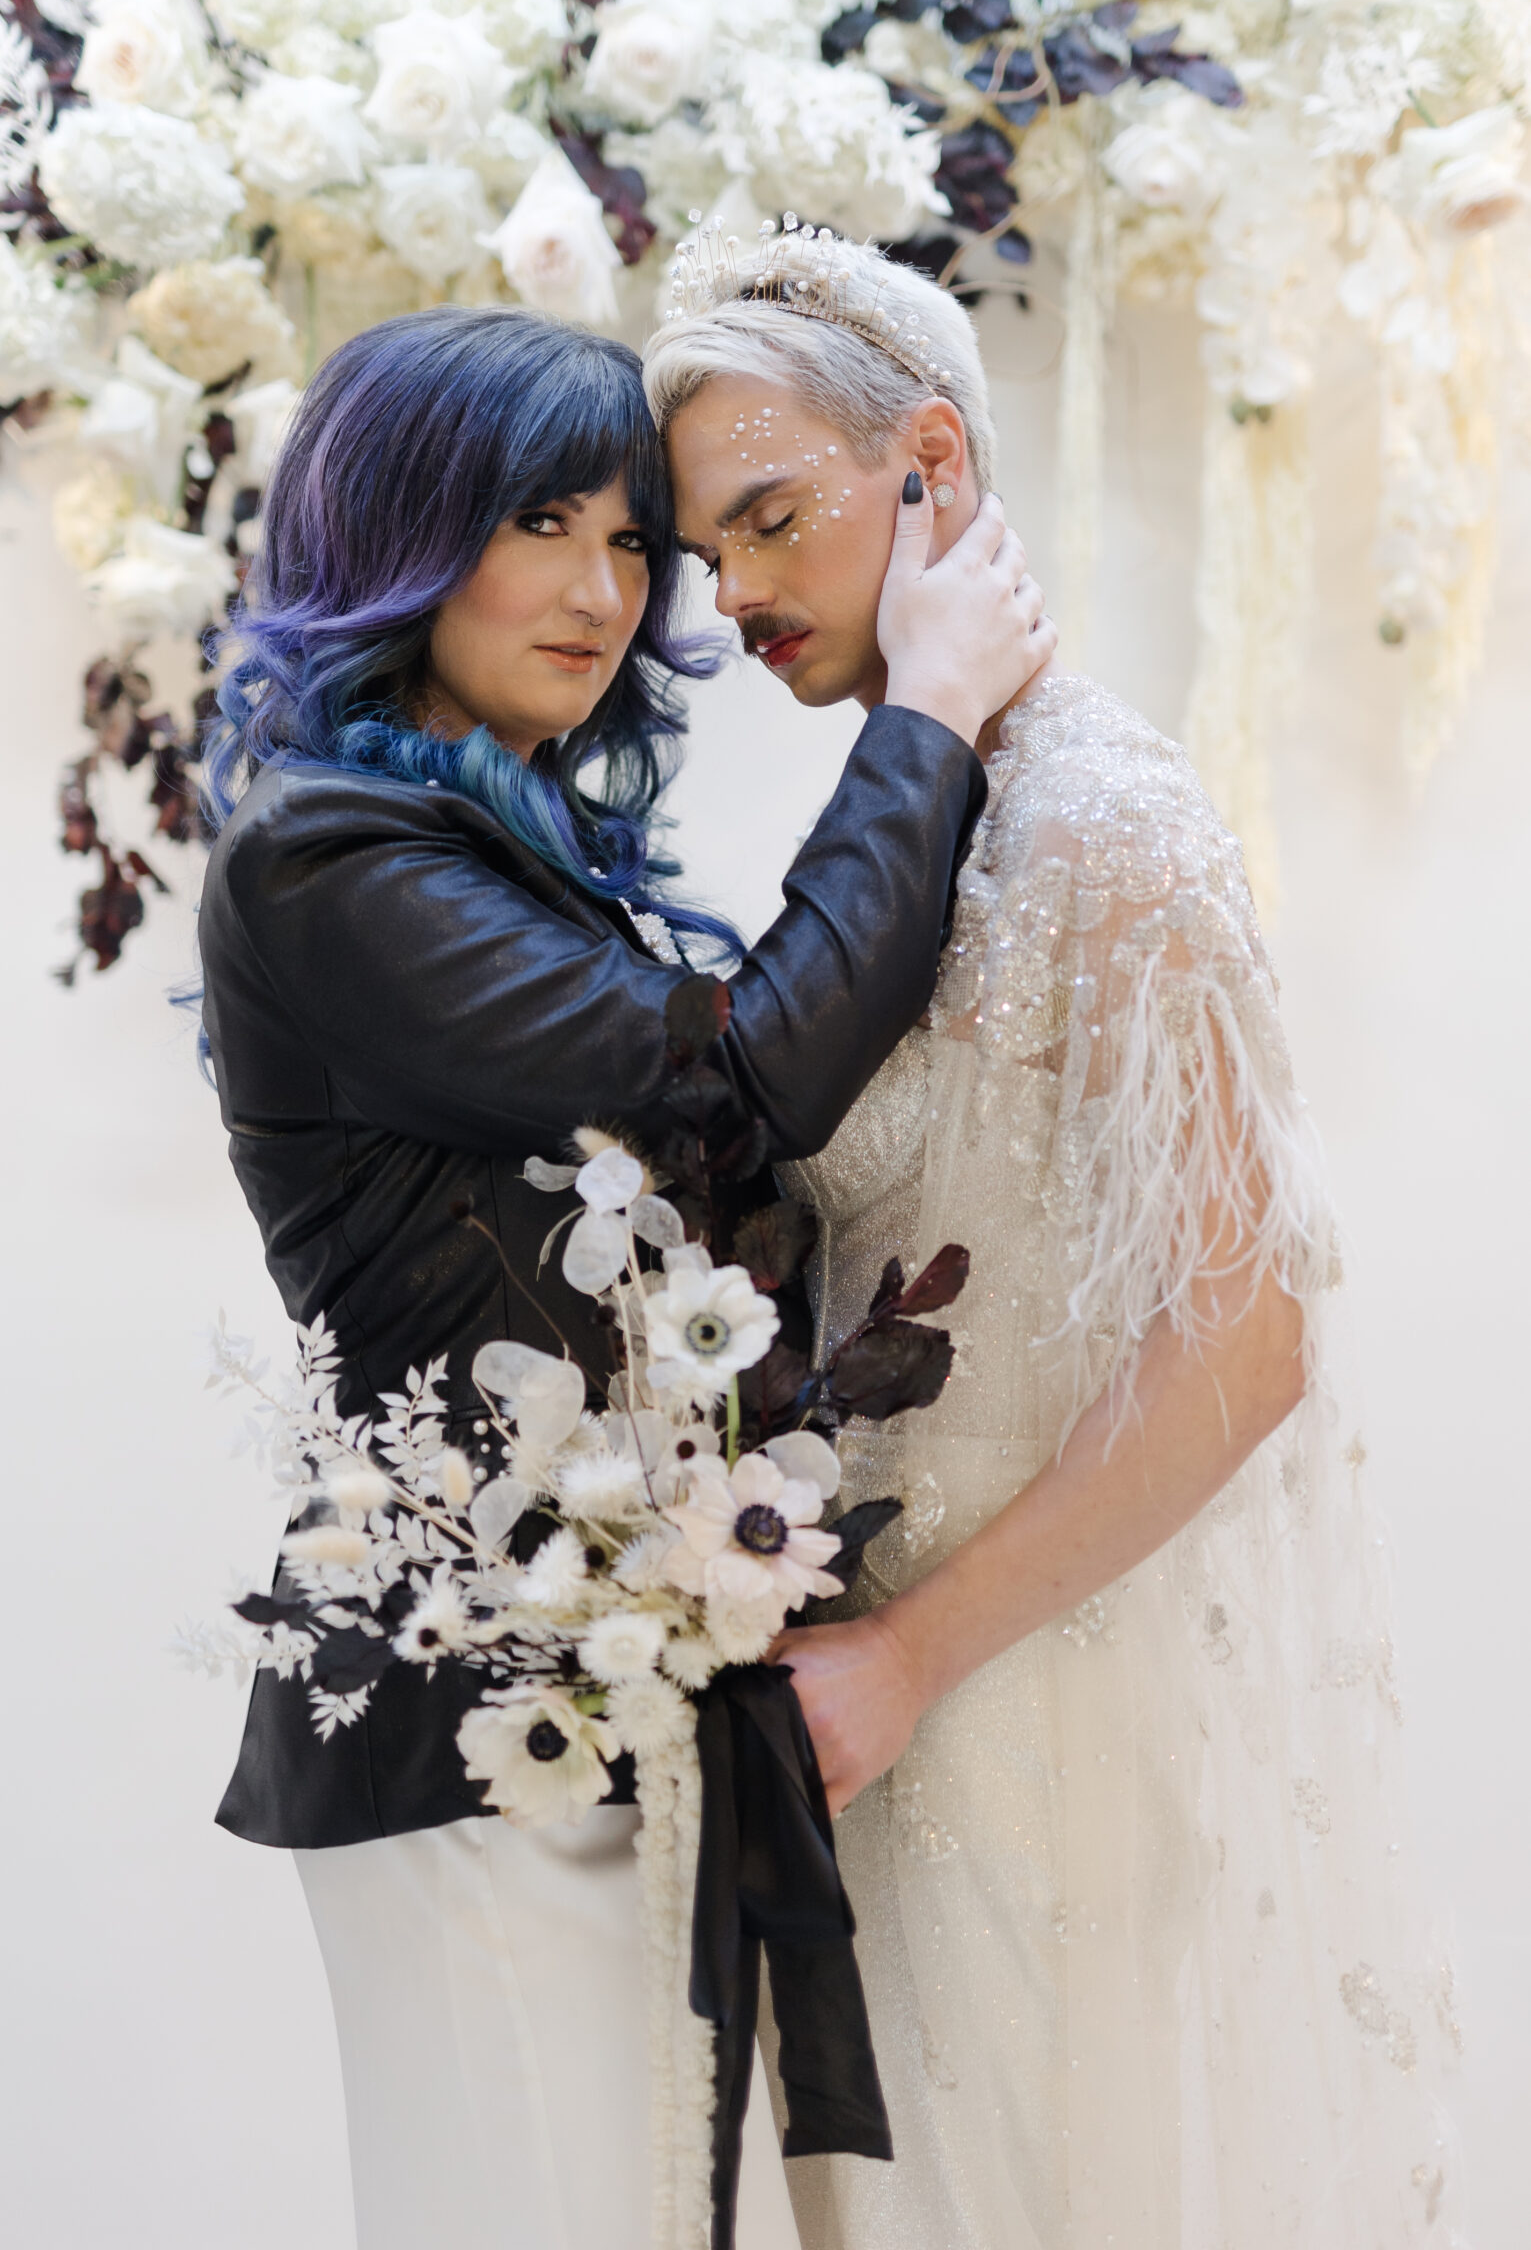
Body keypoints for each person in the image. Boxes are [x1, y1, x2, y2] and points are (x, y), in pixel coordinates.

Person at [195, 302, 1054, 2250]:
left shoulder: (485, 845)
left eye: (627, 545)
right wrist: (920, 711)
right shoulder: (329, 856)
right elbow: (734, 1077)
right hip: (469, 1716)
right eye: (539, 525)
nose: (600, 591)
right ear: (406, 527)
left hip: (615, 1693)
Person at [643, 225, 1464, 2250]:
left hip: (1017, 1700)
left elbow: (1245, 1330)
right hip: (875, 1711)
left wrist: (913, 1653)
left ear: (926, 463)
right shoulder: (932, 809)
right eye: (706, 557)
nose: (734, 594)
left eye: (770, 521)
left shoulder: (1104, 823)